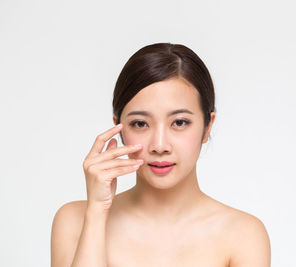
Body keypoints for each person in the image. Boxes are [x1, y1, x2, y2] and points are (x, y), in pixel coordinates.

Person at [50, 42, 271, 267]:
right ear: (119, 128)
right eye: (140, 123)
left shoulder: (243, 235)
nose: (159, 145)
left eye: (179, 122)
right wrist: (97, 212)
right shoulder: (74, 221)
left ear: (207, 126)